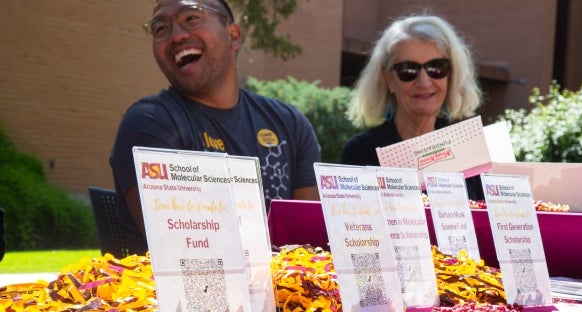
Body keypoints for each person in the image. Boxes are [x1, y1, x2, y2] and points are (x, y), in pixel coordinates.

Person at [110, 0, 321, 255]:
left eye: (191, 18)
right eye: (161, 28)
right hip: (182, 293)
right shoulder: (150, 124)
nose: (176, 35)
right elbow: (185, 253)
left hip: (286, 292)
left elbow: (308, 253)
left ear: (233, 36)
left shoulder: (290, 125)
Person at [340, 14, 484, 199]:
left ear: (451, 75)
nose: (424, 82)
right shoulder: (361, 153)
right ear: (388, 79)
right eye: (408, 70)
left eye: (436, 67)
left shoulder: (467, 150)